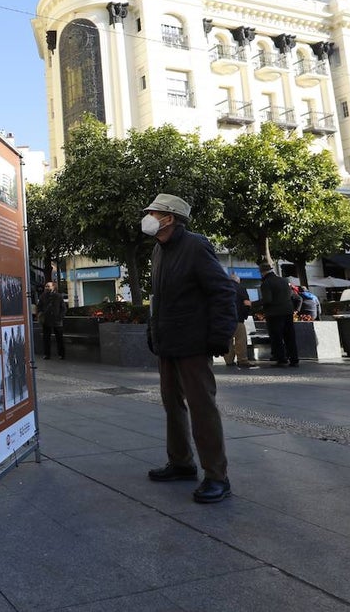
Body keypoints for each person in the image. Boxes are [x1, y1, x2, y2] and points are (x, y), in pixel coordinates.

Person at [143, 193, 237, 504]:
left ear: (169, 218)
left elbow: (222, 292)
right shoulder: (159, 250)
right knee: (172, 404)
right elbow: (160, 300)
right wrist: (152, 331)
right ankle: (182, 463)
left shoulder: (195, 245)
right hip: (168, 343)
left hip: (194, 343)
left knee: (202, 408)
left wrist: (219, 337)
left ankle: (217, 477)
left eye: (153, 213)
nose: (148, 217)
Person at [259, 263, 299, 367]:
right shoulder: (284, 281)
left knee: (276, 337)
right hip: (288, 312)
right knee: (290, 336)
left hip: (274, 313)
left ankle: (281, 358)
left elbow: (267, 299)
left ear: (262, 272)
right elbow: (292, 296)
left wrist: (253, 304)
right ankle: (294, 358)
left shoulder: (266, 283)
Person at [223, 273, 254, 369]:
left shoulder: (223, 288)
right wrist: (244, 315)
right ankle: (242, 360)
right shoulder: (241, 288)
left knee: (227, 341)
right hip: (238, 319)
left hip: (225, 320)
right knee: (240, 340)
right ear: (238, 280)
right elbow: (247, 303)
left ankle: (228, 360)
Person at [37, 281, 67, 360]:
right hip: (46, 320)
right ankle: (46, 354)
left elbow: (63, 308)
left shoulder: (58, 296)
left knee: (59, 338)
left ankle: (61, 354)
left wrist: (60, 317)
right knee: (46, 338)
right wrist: (40, 314)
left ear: (53, 287)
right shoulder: (43, 296)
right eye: (46, 286)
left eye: (48, 286)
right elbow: (39, 306)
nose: (47, 288)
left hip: (57, 321)